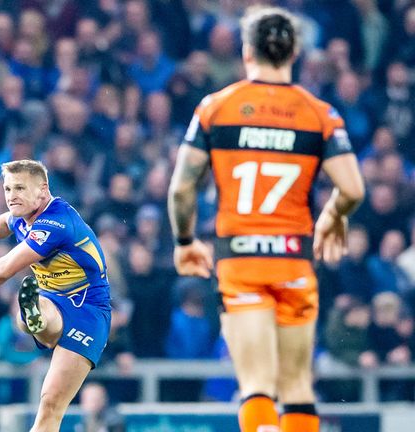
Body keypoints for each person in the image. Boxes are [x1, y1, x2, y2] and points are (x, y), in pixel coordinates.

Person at [168, 7, 365, 432]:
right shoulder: (319, 113)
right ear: (294, 51)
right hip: (294, 259)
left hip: (240, 260)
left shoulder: (216, 108)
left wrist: (185, 241)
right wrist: (332, 215)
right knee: (297, 386)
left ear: (246, 50)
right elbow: (352, 189)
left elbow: (182, 188)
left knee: (256, 385)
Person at [0, 160, 111, 432]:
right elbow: (3, 223)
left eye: (19, 188)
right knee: (37, 313)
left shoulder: (55, 223)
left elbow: (5, 269)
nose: (11, 196)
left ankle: (32, 316)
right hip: (54, 298)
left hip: (88, 310)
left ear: (43, 191)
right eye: (7, 188)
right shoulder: (25, 213)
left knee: (51, 405)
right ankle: (32, 315)